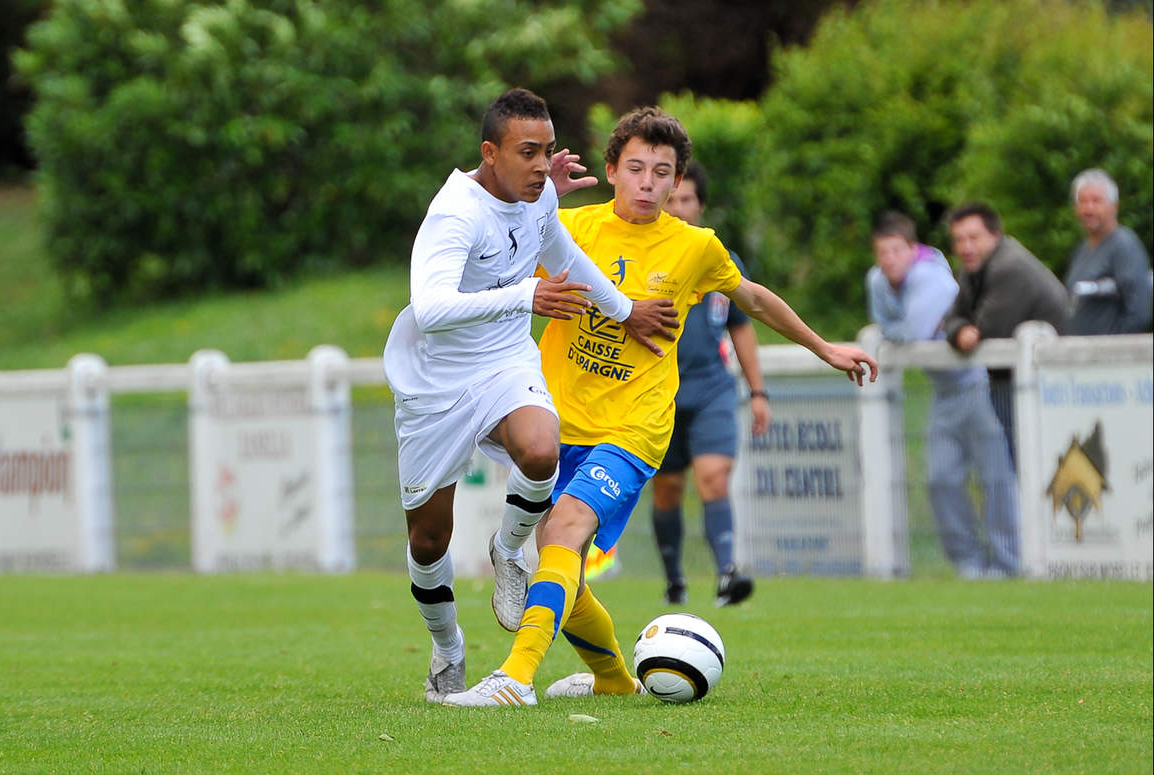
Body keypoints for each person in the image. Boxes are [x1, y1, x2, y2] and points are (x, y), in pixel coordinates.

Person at [443, 106, 877, 707]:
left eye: (663, 172)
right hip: (554, 419)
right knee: (555, 557)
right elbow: (495, 262)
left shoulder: (695, 247)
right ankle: (615, 679)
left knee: (565, 531)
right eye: (638, 168)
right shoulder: (571, 230)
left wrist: (824, 346)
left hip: (634, 427)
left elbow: (751, 297)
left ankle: (515, 678)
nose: (649, 183)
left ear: (678, 184)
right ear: (612, 170)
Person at [382, 88, 679, 704]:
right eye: (527, 152)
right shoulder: (453, 214)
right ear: (489, 153)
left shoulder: (540, 193)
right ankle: (448, 648)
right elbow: (432, 309)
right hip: (434, 379)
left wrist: (623, 312)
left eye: (547, 150)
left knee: (543, 451)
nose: (543, 166)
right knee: (428, 539)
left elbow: (565, 255)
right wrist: (527, 297)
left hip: (503, 360)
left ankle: (509, 549)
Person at [866, 211, 1019, 577]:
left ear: (912, 249)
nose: (889, 261)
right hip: (943, 391)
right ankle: (968, 563)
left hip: (977, 386)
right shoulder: (877, 279)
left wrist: (898, 330)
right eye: (882, 253)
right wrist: (899, 330)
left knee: (996, 478)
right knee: (941, 480)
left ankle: (1007, 565)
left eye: (896, 251)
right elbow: (883, 326)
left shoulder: (931, 275)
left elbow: (912, 332)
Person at [651, 161, 767, 607]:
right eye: (672, 199)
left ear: (700, 205)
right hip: (659, 392)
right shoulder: (651, 254)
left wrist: (758, 392)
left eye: (687, 200)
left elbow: (743, 325)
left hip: (713, 388)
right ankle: (674, 579)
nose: (679, 208)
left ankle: (725, 573)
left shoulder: (721, 259)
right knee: (668, 488)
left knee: (714, 478)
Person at [942, 203, 1069, 465]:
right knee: (1028, 469)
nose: (966, 247)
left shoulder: (1008, 266)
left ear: (995, 234)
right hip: (1016, 383)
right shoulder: (974, 269)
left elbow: (992, 329)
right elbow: (952, 320)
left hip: (1050, 388)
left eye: (973, 238)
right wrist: (961, 330)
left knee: (1042, 469)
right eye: (958, 240)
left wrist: (967, 328)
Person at [1063, 168, 1153, 335]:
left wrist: (1114, 349)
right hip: (1079, 354)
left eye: (1096, 201)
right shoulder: (1082, 249)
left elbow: (1139, 312)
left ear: (1114, 206)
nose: (1088, 209)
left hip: (1110, 356)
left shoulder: (1124, 246)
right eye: (1082, 201)